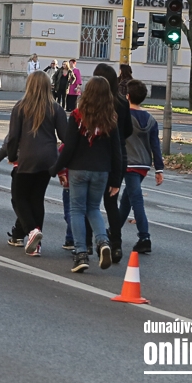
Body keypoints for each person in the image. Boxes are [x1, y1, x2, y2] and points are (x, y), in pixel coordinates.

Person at [0, 71, 69, 257]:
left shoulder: (21, 106)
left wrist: (11, 155)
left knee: (19, 198)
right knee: (37, 199)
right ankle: (36, 245)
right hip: (48, 159)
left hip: (26, 158)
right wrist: (62, 164)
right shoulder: (56, 108)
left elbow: (13, 136)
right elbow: (66, 137)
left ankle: (32, 231)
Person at [50, 76, 123, 273]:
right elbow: (117, 151)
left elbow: (69, 148)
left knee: (77, 210)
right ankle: (103, 242)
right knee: (93, 209)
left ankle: (81, 253)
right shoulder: (111, 119)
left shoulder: (77, 116)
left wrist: (56, 168)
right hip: (102, 171)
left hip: (79, 169)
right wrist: (116, 179)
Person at [93, 63, 134, 265]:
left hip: (98, 156)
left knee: (90, 203)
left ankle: (85, 242)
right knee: (111, 203)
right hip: (119, 156)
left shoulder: (94, 103)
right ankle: (116, 244)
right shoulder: (122, 102)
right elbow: (128, 130)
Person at [119, 79, 164, 255]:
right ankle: (114, 229)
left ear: (127, 96)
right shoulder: (151, 120)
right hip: (143, 164)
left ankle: (144, 237)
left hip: (129, 162)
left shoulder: (124, 116)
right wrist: (159, 169)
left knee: (136, 199)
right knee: (127, 199)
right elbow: (155, 146)